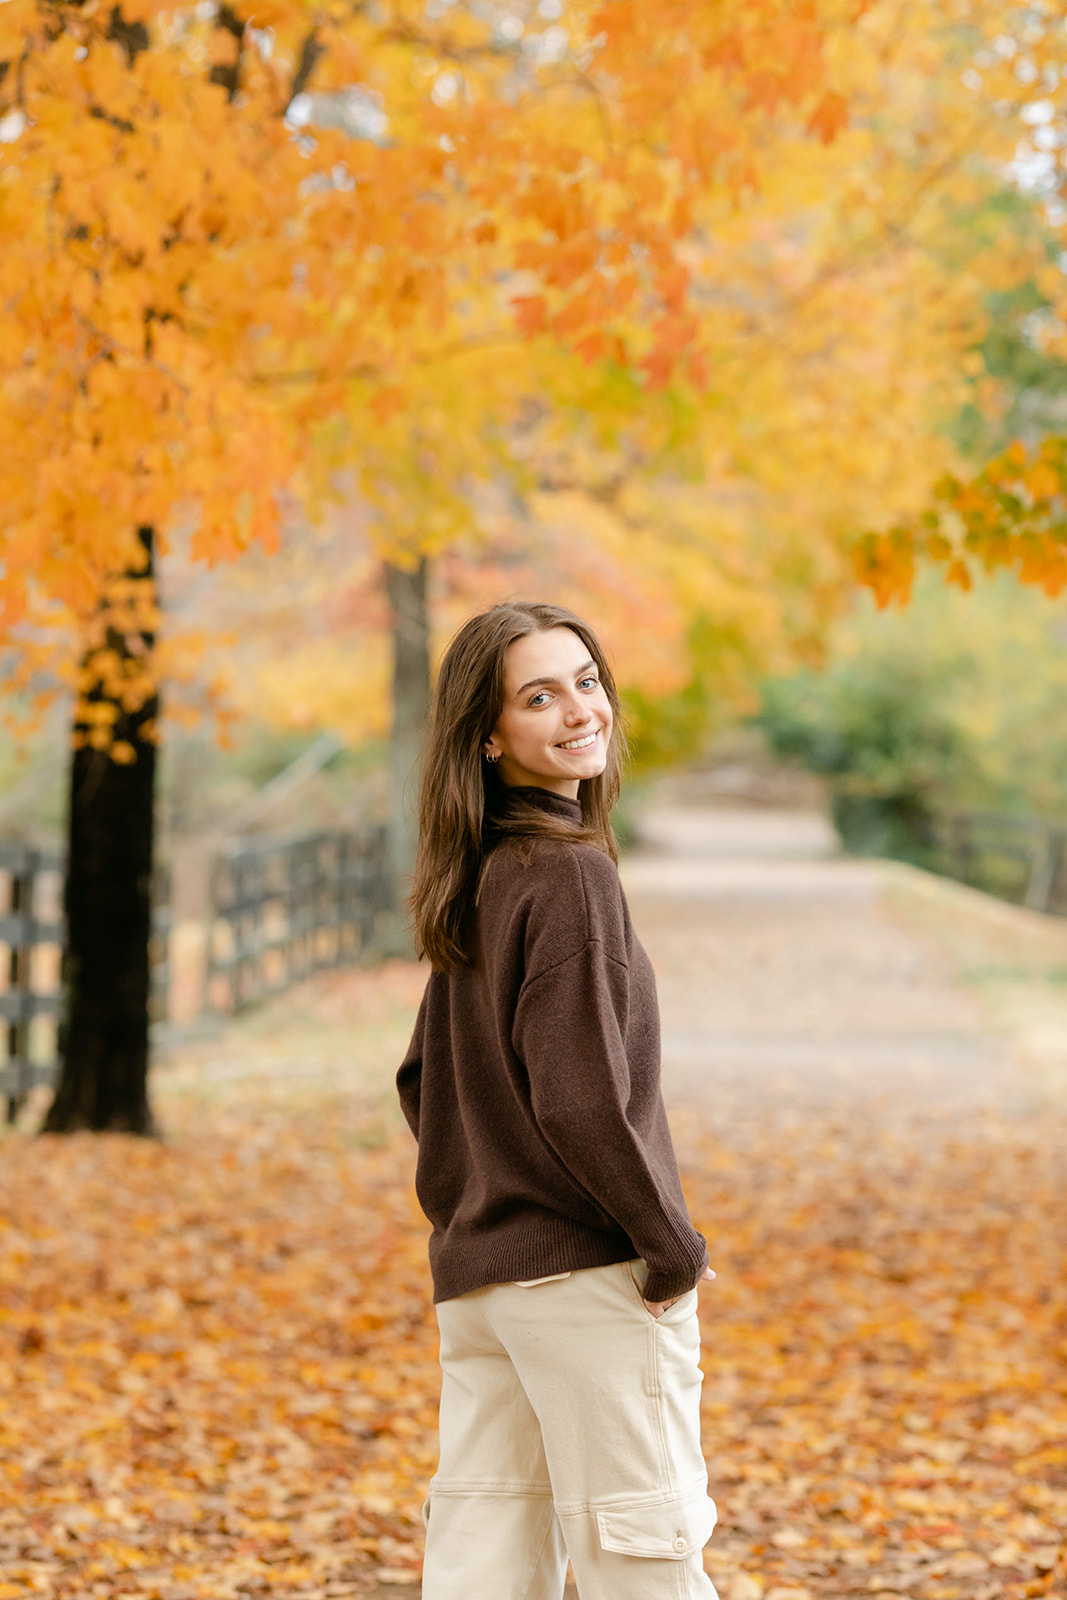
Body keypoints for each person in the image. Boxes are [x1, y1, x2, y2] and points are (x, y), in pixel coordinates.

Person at [396, 601, 719, 1600]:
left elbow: (421, 1080)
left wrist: (481, 1194)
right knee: (646, 1563)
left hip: (485, 1283)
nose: (579, 709)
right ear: (488, 737)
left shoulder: (484, 877)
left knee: (483, 1567)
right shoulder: (569, 877)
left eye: (584, 679)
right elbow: (581, 1105)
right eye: (538, 696)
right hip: (583, 1278)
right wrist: (669, 1244)